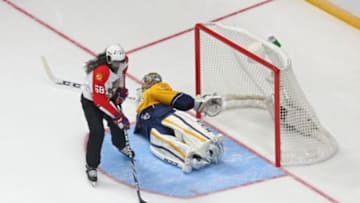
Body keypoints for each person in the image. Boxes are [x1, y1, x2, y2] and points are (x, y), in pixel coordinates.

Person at [134, 72, 224, 173]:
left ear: (154, 82)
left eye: (147, 81)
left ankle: (208, 143)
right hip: (149, 125)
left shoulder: (156, 88)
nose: (144, 84)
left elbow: (175, 98)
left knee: (185, 127)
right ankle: (191, 157)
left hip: (162, 113)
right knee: (162, 143)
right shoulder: (142, 100)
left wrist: (193, 103)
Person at [81, 44, 133, 185]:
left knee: (117, 125)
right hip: (92, 102)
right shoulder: (101, 71)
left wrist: (120, 90)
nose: (118, 65)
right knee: (97, 132)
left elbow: (121, 75)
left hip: (106, 97)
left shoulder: (123, 62)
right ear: (109, 59)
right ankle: (91, 165)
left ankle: (120, 144)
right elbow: (99, 100)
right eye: (115, 62)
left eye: (120, 62)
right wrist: (118, 115)